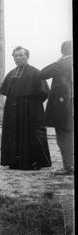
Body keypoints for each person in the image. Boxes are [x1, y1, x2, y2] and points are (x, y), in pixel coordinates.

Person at [0, 46, 51, 170]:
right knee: (13, 133)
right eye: (16, 56)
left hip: (31, 109)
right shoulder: (11, 74)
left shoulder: (36, 72)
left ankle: (35, 162)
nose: (18, 58)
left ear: (27, 56)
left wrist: (32, 105)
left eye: (21, 55)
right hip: (12, 110)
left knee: (32, 133)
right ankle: (14, 161)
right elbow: (8, 92)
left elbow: (44, 93)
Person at [41, 41, 73, 175]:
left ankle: (68, 167)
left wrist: (59, 61)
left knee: (64, 137)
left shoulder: (62, 64)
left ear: (62, 51)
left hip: (64, 108)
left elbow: (42, 73)